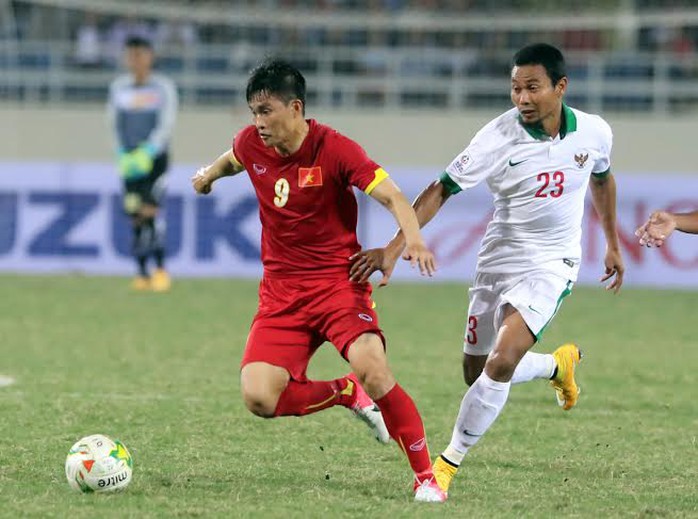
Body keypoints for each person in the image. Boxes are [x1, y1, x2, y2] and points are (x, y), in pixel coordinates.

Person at [349, 43, 625, 497]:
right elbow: (441, 189)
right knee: (475, 371)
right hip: (498, 259)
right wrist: (397, 246)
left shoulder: (595, 133)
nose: (522, 99)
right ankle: (556, 365)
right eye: (516, 88)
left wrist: (613, 243)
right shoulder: (496, 137)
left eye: (532, 88)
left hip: (553, 263)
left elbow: (602, 178)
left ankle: (445, 466)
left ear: (560, 87)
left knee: (498, 363)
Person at [191, 59, 446, 503]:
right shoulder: (252, 143)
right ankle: (344, 392)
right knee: (259, 398)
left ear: (296, 108)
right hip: (281, 292)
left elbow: (393, 196)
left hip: (338, 284)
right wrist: (207, 176)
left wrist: (413, 241)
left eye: (266, 111)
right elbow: (233, 159)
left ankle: (426, 477)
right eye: (253, 112)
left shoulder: (336, 149)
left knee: (375, 370)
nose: (259, 122)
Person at [107, 35, 178, 291]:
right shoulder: (119, 88)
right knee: (135, 214)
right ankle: (141, 273)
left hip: (155, 159)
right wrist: (121, 153)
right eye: (131, 55)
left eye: (140, 54)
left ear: (150, 56)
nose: (135, 60)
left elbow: (167, 122)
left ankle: (160, 270)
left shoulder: (162, 87)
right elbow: (114, 124)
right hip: (129, 159)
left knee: (151, 210)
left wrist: (150, 149)